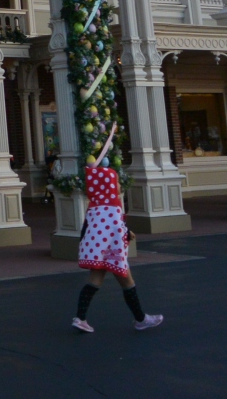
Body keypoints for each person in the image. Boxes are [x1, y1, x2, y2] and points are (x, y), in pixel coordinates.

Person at [72, 124, 163, 333]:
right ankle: (141, 319)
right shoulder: (112, 206)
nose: (120, 186)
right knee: (127, 281)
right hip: (112, 251)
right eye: (117, 183)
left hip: (97, 249)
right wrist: (126, 233)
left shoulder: (94, 206)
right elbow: (115, 226)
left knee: (95, 280)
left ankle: (80, 318)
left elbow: (97, 227)